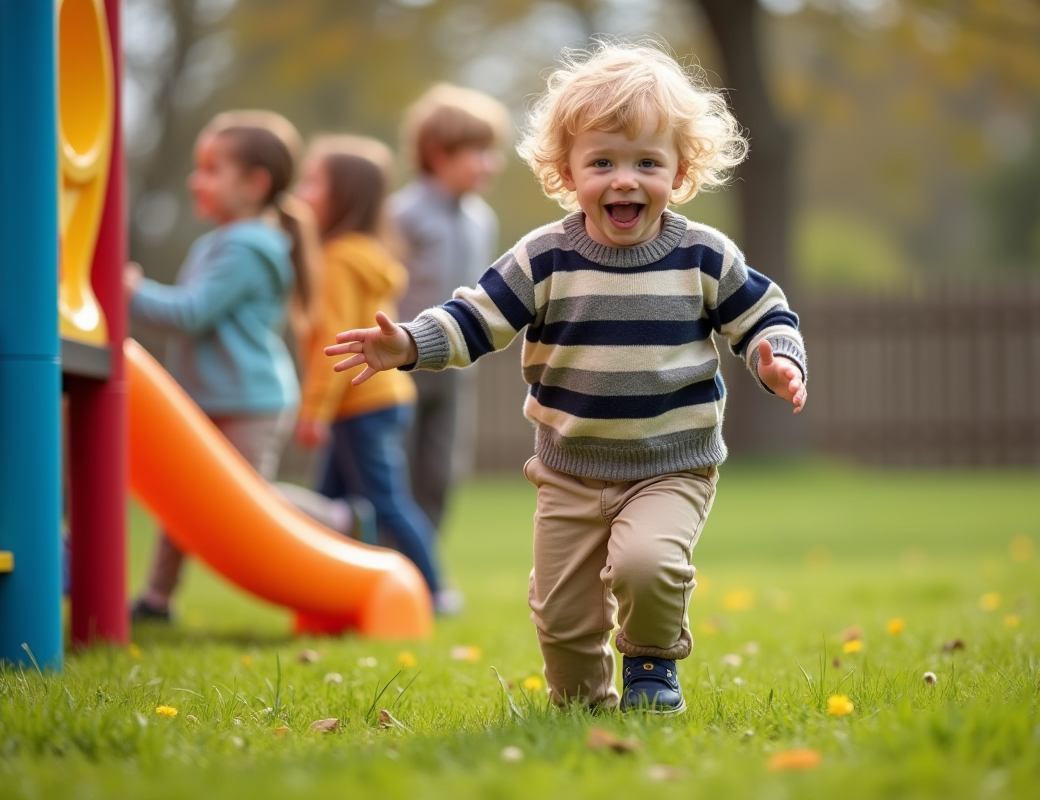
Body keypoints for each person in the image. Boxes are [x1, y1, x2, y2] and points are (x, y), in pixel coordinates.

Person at [328, 41, 808, 713]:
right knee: (562, 616)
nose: (624, 181)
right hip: (569, 472)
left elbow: (763, 311)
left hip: (671, 464)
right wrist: (409, 343)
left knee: (649, 565)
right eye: (602, 162)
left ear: (681, 170)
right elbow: (478, 318)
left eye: (647, 162)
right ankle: (582, 708)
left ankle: (649, 665)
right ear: (566, 171)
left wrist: (773, 354)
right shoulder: (544, 258)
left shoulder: (703, 254)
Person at [126, 110, 317, 622]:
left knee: (249, 509)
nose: (197, 180)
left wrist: (129, 291)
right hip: (214, 395)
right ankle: (157, 599)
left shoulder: (248, 246)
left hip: (248, 401)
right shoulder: (221, 241)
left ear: (255, 183)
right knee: (183, 498)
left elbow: (190, 313)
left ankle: (338, 518)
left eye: (212, 169)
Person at [290, 134, 441, 602]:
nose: (301, 191)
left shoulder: (337, 261)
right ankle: (334, 590)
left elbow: (332, 346)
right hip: (378, 398)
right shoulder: (368, 255)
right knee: (333, 503)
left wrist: (313, 409)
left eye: (313, 182)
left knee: (384, 503)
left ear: (344, 197)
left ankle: (436, 591)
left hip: (358, 400)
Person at [393, 85, 509, 538]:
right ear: (439, 154)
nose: (491, 164)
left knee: (441, 474)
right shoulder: (402, 215)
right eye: (478, 152)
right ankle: (387, 564)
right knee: (396, 472)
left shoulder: (482, 219)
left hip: (456, 370)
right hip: (401, 370)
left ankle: (424, 572)